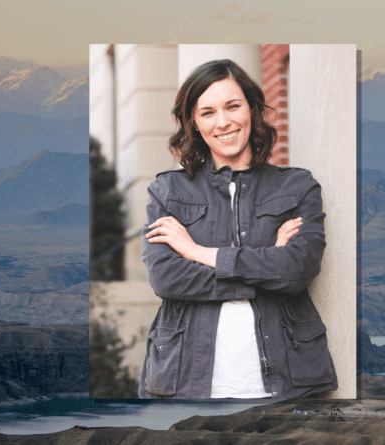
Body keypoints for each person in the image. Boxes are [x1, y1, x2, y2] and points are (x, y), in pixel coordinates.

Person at [138, 59, 337, 399]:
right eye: (208, 112)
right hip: (185, 381)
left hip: (288, 382)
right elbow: (167, 277)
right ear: (194, 124)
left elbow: (298, 270)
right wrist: (268, 262)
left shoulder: (298, 187)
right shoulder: (167, 192)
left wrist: (197, 252)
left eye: (233, 106)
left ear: (252, 109)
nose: (224, 122)